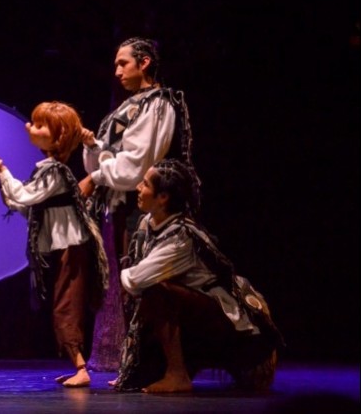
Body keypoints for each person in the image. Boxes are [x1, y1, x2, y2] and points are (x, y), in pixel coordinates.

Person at [78, 37, 199, 371]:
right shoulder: (129, 106)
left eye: (123, 63)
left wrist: (96, 177)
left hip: (145, 207)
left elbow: (137, 164)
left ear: (144, 62)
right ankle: (135, 363)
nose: (117, 71)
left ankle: (154, 365)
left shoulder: (157, 103)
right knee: (126, 283)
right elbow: (111, 160)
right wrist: (93, 148)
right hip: (123, 205)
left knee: (144, 283)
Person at [114, 159, 282, 393]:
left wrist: (117, 279)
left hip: (229, 327)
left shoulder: (181, 237)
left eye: (145, 184)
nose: (138, 188)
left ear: (163, 197)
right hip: (193, 314)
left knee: (157, 292)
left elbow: (136, 280)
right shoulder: (148, 223)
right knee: (152, 299)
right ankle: (177, 366)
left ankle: (177, 374)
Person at [0, 101, 109, 387]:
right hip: (62, 246)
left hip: (71, 245)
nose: (30, 127)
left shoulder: (55, 172)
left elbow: (24, 197)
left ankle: (81, 368)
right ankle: (77, 365)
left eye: (40, 125)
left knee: (67, 305)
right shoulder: (48, 170)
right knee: (61, 304)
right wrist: (4, 180)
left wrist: (2, 171)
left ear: (59, 136)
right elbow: (25, 205)